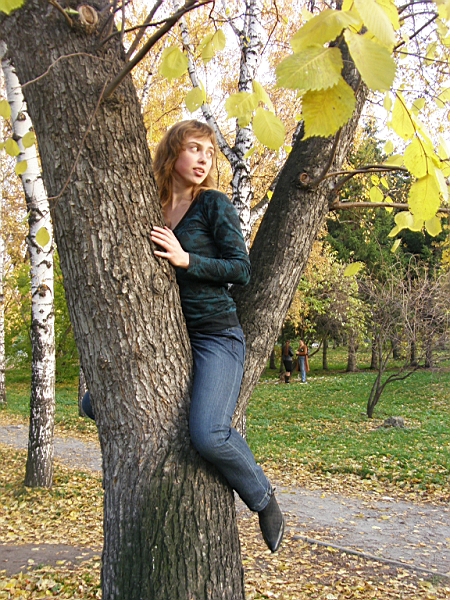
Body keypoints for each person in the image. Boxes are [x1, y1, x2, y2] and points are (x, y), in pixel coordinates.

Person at [149, 119, 284, 552]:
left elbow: (240, 269)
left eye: (210, 152)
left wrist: (187, 259)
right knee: (94, 403)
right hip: (170, 339)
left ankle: (263, 497)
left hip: (215, 336)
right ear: (173, 151)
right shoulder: (151, 206)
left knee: (209, 434)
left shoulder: (213, 204)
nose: (204, 159)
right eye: (194, 148)